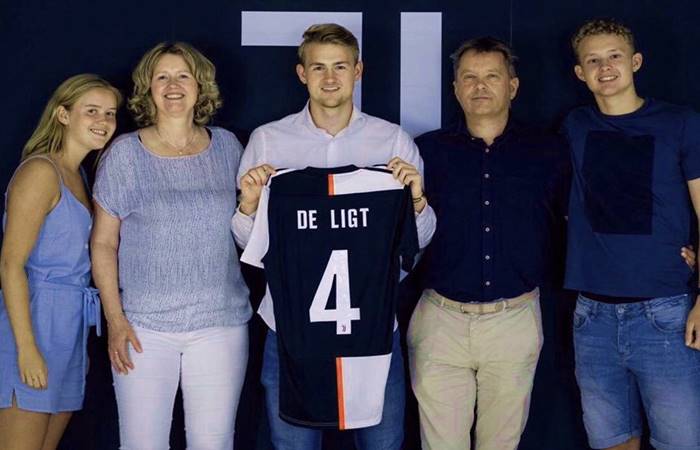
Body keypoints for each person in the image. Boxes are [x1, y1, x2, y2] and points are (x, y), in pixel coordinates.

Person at [231, 23, 436, 450]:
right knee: (292, 445)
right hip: (289, 328)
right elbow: (252, 247)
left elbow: (413, 249)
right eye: (319, 67)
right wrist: (248, 207)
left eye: (340, 66)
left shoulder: (392, 141)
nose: (329, 78)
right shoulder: (270, 141)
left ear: (358, 71)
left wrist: (416, 201)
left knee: (383, 444)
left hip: (372, 326)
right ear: (301, 73)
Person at [407, 37, 568, 450]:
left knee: (502, 444)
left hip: (513, 319)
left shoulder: (549, 151)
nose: (480, 87)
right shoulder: (425, 152)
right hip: (440, 320)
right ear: (456, 88)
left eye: (492, 77)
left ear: (512, 86)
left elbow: (578, 220)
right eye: (470, 78)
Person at [91, 42, 252, 449]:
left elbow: (245, 228)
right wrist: (116, 319)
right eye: (161, 77)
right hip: (143, 328)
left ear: (200, 87)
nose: (173, 85)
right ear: (148, 89)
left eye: (183, 75)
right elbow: (104, 242)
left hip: (221, 324)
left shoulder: (228, 148)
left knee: (212, 444)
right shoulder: (125, 155)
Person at [564, 18, 700, 450]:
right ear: (579, 73)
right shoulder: (574, 126)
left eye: (615, 57)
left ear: (635, 62)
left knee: (679, 443)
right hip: (591, 318)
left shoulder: (680, 124)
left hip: (665, 315)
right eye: (593, 60)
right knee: (612, 442)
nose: (605, 68)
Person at [0, 74, 120, 450]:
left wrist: (77, 348)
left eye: (110, 113)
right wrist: (27, 348)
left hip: (69, 328)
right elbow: (10, 265)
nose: (103, 121)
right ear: (63, 115)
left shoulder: (80, 176)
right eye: (91, 111)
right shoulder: (40, 172)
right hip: (33, 322)